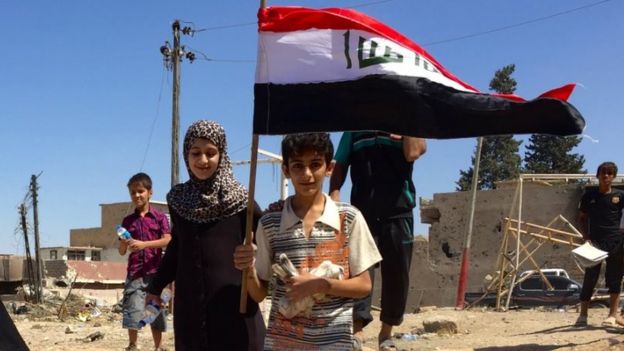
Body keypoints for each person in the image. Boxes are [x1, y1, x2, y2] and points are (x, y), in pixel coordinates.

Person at [234, 132, 382, 350]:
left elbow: (363, 286)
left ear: (329, 168)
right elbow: (259, 294)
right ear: (286, 170)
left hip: (334, 342)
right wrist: (248, 270)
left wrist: (321, 285)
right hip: (283, 343)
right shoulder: (270, 224)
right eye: (297, 166)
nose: (307, 174)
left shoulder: (349, 218)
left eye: (315, 164)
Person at [146, 120, 265, 350]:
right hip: (191, 307)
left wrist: (255, 257)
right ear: (186, 155)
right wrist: (155, 286)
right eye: (196, 153)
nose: (203, 160)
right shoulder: (178, 200)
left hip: (233, 305)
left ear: (222, 155)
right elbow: (177, 247)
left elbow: (265, 240)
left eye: (211, 153)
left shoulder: (241, 201)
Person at [329, 131, 426, 351]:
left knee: (397, 273)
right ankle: (357, 332)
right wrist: (334, 194)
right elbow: (341, 162)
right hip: (363, 212)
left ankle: (386, 334)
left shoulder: (405, 120)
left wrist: (404, 124)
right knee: (359, 269)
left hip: (399, 210)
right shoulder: (354, 127)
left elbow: (413, 152)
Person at [119, 172, 172, 351]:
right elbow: (121, 251)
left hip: (155, 273)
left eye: (140, 191)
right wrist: (124, 242)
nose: (137, 195)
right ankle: (133, 345)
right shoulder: (127, 221)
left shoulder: (159, 217)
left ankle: (158, 347)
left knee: (154, 312)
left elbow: (167, 240)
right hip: (135, 273)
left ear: (150, 192)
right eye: (133, 192)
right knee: (132, 311)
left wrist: (144, 245)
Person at [575, 161, 624, 327]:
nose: (606, 176)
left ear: (614, 177)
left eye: (610, 173)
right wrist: (585, 236)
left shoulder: (620, 196)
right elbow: (581, 218)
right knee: (590, 277)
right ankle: (582, 316)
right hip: (594, 242)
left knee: (615, 278)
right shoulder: (589, 196)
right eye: (603, 173)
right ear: (597, 175)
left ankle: (612, 315)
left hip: (616, 242)